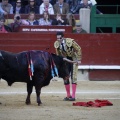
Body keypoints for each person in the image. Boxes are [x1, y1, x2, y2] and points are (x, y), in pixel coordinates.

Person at [54, 32, 82, 101]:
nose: (58, 40)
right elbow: (58, 55)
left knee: (73, 77)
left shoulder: (70, 41)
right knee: (65, 77)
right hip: (66, 61)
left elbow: (78, 49)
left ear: (63, 37)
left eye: (60, 38)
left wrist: (78, 59)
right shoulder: (57, 44)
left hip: (73, 60)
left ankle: (73, 96)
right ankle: (68, 95)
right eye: (57, 38)